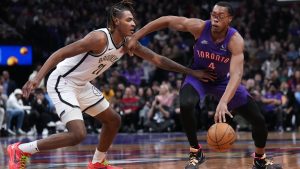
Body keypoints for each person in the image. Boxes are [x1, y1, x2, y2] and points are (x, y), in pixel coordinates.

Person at [6, 1, 216, 169]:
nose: (134, 24)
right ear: (116, 21)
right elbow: (59, 53)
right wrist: (36, 78)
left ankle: (97, 162)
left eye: (134, 20)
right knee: (78, 134)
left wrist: (191, 71)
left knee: (113, 120)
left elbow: (158, 59)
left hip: (82, 84)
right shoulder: (98, 38)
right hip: (63, 81)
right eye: (129, 20)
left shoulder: (128, 43)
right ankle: (21, 149)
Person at [127, 1, 282, 169]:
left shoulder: (235, 40)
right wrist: (136, 36)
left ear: (229, 19)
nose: (215, 19)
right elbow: (166, 20)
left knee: (258, 119)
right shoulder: (199, 27)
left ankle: (260, 159)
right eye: (213, 15)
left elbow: (236, 74)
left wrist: (223, 101)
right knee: (186, 104)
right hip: (198, 76)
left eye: (220, 16)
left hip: (222, 81)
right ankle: (195, 151)